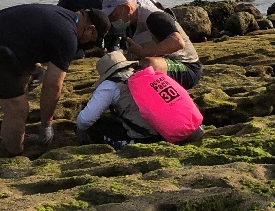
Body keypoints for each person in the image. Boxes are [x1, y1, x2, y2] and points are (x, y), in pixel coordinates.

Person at [0, 5, 109, 155]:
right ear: (90, 28)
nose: (88, 44)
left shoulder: (61, 15)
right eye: (93, 39)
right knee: (18, 108)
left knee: (23, 85)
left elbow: (26, 42)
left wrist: (33, 71)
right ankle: (13, 155)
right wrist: (46, 124)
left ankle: (13, 133)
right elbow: (53, 86)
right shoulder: (68, 36)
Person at [76, 51, 205, 148]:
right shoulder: (147, 74)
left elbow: (85, 120)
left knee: (94, 128)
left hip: (150, 136)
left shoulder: (109, 85)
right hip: (186, 129)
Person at [104, 0, 203, 89]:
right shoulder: (129, 24)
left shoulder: (154, 17)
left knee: (149, 65)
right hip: (163, 63)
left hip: (187, 68)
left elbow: (177, 42)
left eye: (113, 15)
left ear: (127, 8)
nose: (111, 20)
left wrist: (143, 52)